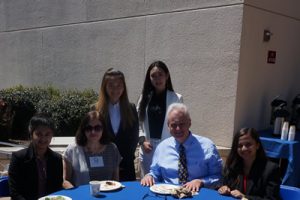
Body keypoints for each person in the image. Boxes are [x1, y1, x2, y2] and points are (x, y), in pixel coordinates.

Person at [141, 103, 223, 192]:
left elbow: (218, 176)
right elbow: (155, 173)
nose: (178, 129)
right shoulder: (162, 148)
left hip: (198, 195)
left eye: (181, 124)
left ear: (189, 123)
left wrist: (201, 181)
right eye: (173, 125)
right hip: (169, 195)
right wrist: (149, 176)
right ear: (168, 126)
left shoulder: (207, 146)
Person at [137, 60, 183, 177]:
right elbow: (137, 122)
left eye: (160, 74)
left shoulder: (176, 98)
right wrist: (142, 141)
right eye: (153, 76)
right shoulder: (144, 98)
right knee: (147, 182)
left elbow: (180, 125)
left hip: (168, 147)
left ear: (167, 76)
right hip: (148, 148)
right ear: (149, 78)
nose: (157, 79)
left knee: (167, 183)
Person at [93, 68, 139, 181]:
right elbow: (92, 139)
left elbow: (134, 138)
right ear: (104, 87)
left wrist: (124, 160)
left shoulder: (131, 108)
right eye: (111, 85)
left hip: (126, 166)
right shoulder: (95, 110)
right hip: (103, 167)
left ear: (124, 87)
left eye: (119, 85)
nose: (115, 89)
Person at [8, 113, 63, 200]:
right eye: (39, 134)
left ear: (52, 135)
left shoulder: (56, 159)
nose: (43, 138)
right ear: (31, 134)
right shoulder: (18, 158)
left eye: (47, 134)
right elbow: (14, 193)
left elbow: (57, 188)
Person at [62, 111, 121, 188]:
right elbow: (65, 180)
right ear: (83, 130)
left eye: (97, 128)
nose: (93, 132)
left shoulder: (112, 149)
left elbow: (116, 180)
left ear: (103, 129)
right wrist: (76, 194)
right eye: (89, 128)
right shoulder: (72, 150)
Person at [218, 128, 281, 200]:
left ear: (257, 145)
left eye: (248, 144)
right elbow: (223, 184)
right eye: (240, 145)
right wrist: (223, 188)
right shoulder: (232, 165)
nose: (244, 148)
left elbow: (271, 199)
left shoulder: (271, 169)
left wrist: (245, 197)